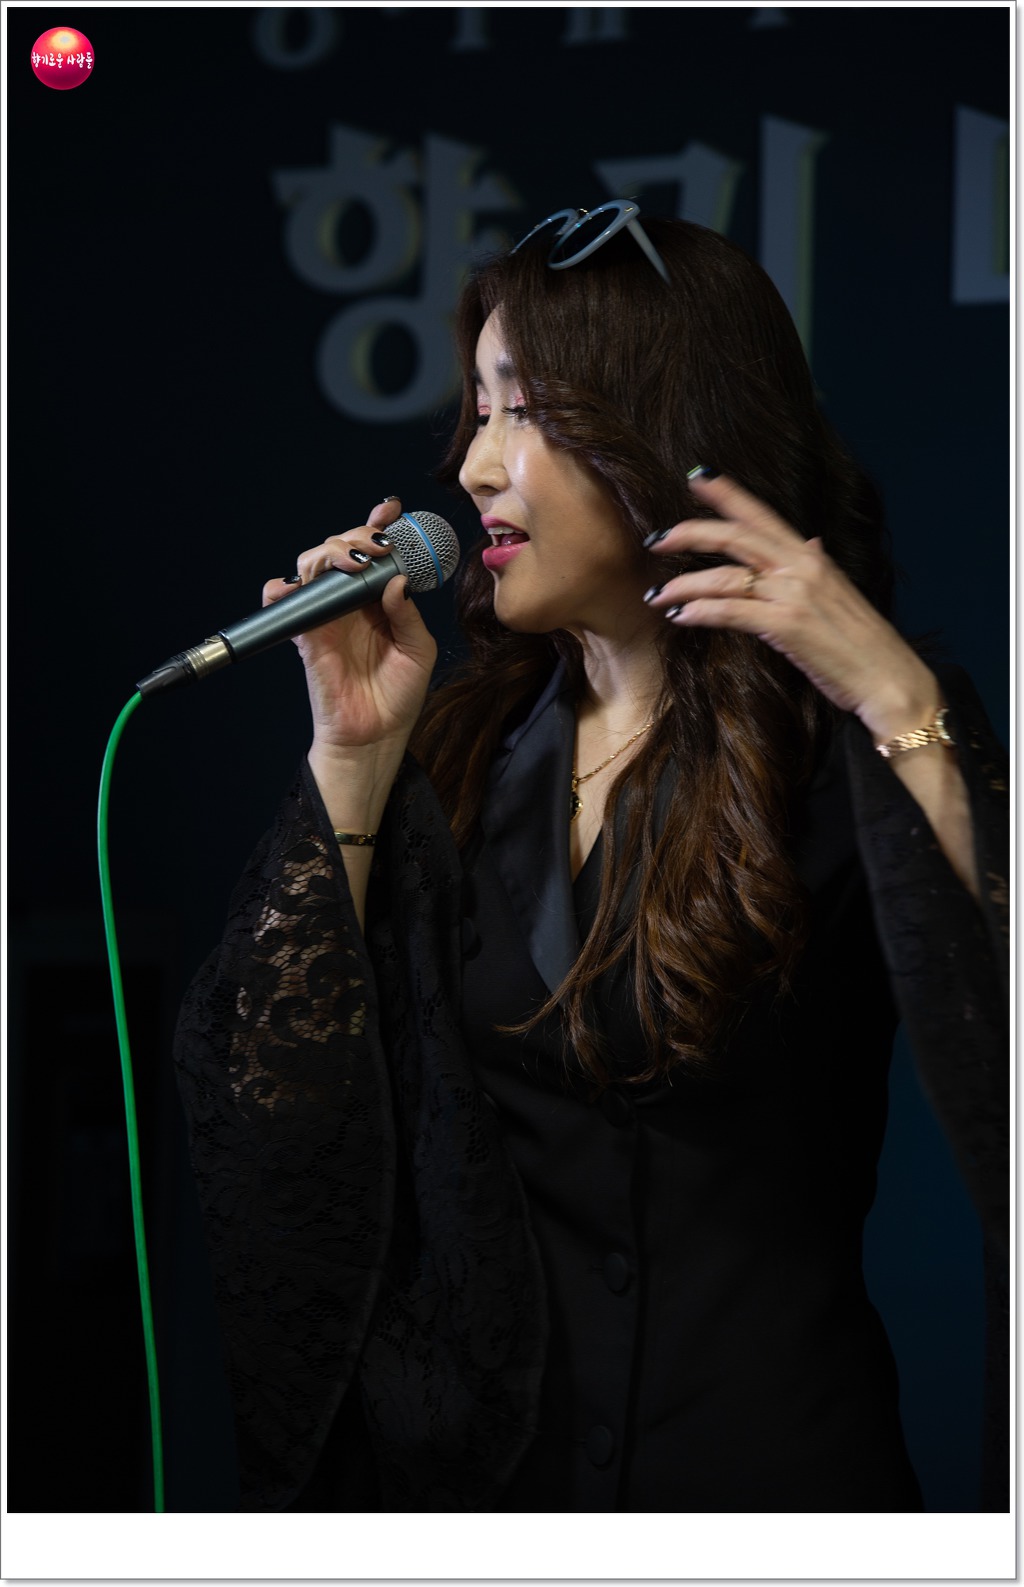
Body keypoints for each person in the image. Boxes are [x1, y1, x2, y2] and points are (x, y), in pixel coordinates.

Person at [174, 206, 1008, 1513]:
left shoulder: (849, 740)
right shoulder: (460, 751)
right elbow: (268, 1116)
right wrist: (352, 756)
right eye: (478, 412)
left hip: (775, 1495)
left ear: (668, 430)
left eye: (530, 412)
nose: (474, 468)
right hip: (497, 1503)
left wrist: (900, 701)